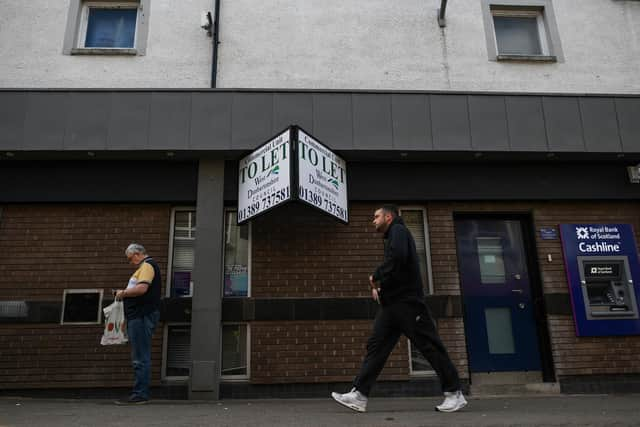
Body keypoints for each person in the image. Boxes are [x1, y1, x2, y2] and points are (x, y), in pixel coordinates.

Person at [331, 205, 467, 413]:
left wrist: (376, 276)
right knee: (376, 347)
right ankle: (359, 395)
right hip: (392, 306)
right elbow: (398, 269)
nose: (373, 221)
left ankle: (454, 393)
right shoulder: (392, 236)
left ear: (388, 216)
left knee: (429, 345)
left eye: (376, 216)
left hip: (408, 303)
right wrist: (382, 288)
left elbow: (398, 258)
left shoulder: (398, 231)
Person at [114, 243, 161, 405]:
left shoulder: (147, 266)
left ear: (137, 254)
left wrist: (123, 293)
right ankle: (140, 393)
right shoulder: (146, 266)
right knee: (140, 355)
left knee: (140, 357)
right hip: (139, 316)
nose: (130, 262)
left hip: (141, 316)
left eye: (130, 258)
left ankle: (140, 394)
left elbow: (141, 289)